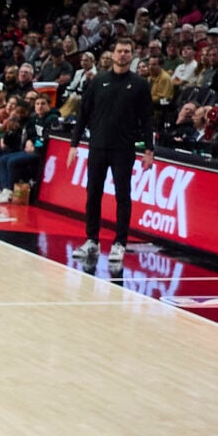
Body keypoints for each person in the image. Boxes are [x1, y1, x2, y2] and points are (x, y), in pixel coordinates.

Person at [76, 42, 152, 278]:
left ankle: (119, 242)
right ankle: (92, 240)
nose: (122, 54)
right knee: (93, 195)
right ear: (112, 54)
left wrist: (149, 149)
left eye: (127, 51)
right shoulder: (98, 81)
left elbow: (147, 119)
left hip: (123, 149)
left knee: (123, 196)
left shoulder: (139, 84)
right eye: (119, 51)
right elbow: (83, 113)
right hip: (97, 147)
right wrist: (73, 143)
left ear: (132, 55)